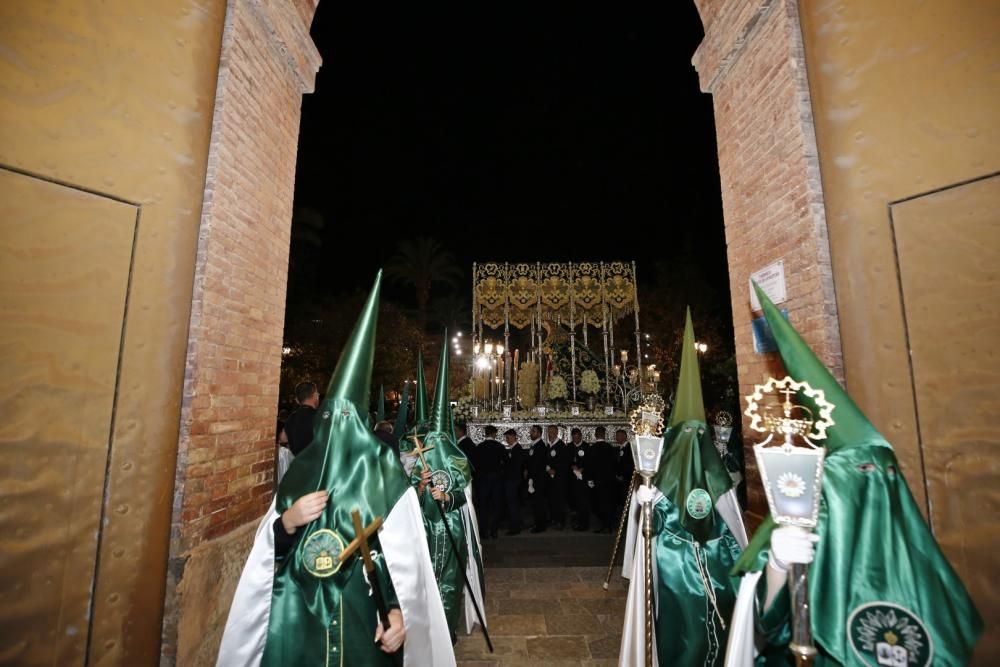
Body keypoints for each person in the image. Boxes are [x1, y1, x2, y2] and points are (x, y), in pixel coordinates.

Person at [724, 287, 982, 666]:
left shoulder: (912, 544)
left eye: (884, 472)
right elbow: (763, 616)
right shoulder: (814, 508)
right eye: (861, 471)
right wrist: (778, 564)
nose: (875, 482)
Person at [216, 271, 454, 667]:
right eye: (331, 418)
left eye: (350, 421)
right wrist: (287, 522)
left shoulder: (386, 480)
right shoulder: (300, 474)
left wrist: (396, 612)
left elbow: (399, 560)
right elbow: (270, 555)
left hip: (362, 620)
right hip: (298, 620)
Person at [620, 309, 747, 666]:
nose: (696, 443)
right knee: (684, 631)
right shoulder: (660, 477)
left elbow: (734, 522)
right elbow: (649, 526)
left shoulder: (715, 474)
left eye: (700, 435)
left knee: (722, 621)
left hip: (718, 560)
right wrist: (647, 508)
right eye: (687, 435)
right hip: (675, 563)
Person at [409, 333, 484, 642]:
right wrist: (424, 488)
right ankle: (427, 625)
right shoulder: (420, 458)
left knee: (450, 580)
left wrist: (448, 496)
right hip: (426, 527)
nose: (434, 444)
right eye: (431, 439)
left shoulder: (459, 461)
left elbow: (466, 498)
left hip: (450, 526)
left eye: (440, 438)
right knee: (425, 579)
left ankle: (448, 629)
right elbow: (411, 495)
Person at [476, 425, 506, 539]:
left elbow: (476, 464)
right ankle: (494, 530)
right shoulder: (499, 446)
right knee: (497, 505)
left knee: (483, 506)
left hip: (483, 479)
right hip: (497, 479)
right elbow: (505, 462)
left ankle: (483, 531)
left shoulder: (479, 447)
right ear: (494, 434)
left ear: (485, 433)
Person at [281, 381, 319, 455]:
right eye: (317, 394)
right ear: (315, 395)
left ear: (298, 400)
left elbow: (283, 439)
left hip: (297, 464)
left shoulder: (291, 418)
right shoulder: (320, 417)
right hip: (318, 465)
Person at [590, 425, 616, 533]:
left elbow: (590, 466)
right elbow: (614, 464)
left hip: (598, 481)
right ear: (605, 435)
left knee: (599, 503)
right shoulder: (610, 448)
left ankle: (604, 524)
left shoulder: (592, 448)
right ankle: (609, 525)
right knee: (608, 503)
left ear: (595, 435)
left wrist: (590, 479)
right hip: (609, 481)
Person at [546, 424, 572, 530]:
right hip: (549, 477)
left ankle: (561, 521)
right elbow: (546, 460)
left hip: (559, 478)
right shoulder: (548, 445)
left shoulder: (561, 446)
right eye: (548, 432)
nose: (550, 434)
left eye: (552, 432)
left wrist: (555, 470)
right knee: (551, 499)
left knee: (560, 500)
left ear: (557, 433)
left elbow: (565, 463)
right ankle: (553, 519)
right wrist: (548, 469)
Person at [502, 428, 525, 535]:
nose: (507, 439)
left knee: (513, 504)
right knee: (513, 503)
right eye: (506, 438)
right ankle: (518, 523)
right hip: (512, 480)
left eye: (508, 437)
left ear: (514, 437)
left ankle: (515, 527)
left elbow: (516, 467)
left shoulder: (517, 449)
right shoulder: (513, 448)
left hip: (513, 481)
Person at [526, 425, 549, 533]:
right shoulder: (535, 445)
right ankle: (538, 523)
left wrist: (531, 479)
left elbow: (536, 465)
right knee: (535, 503)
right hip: (535, 478)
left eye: (533, 431)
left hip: (538, 480)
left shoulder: (540, 446)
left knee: (539, 503)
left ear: (539, 434)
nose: (531, 433)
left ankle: (540, 526)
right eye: (531, 431)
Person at [569, 427, 593, 531]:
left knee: (583, 502)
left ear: (581, 436)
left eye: (577, 438)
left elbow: (589, 462)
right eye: (574, 438)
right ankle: (576, 522)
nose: (576, 440)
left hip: (583, 479)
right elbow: (566, 460)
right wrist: (572, 466)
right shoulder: (569, 447)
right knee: (575, 502)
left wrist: (582, 469)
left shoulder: (587, 447)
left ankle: (584, 524)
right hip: (572, 479)